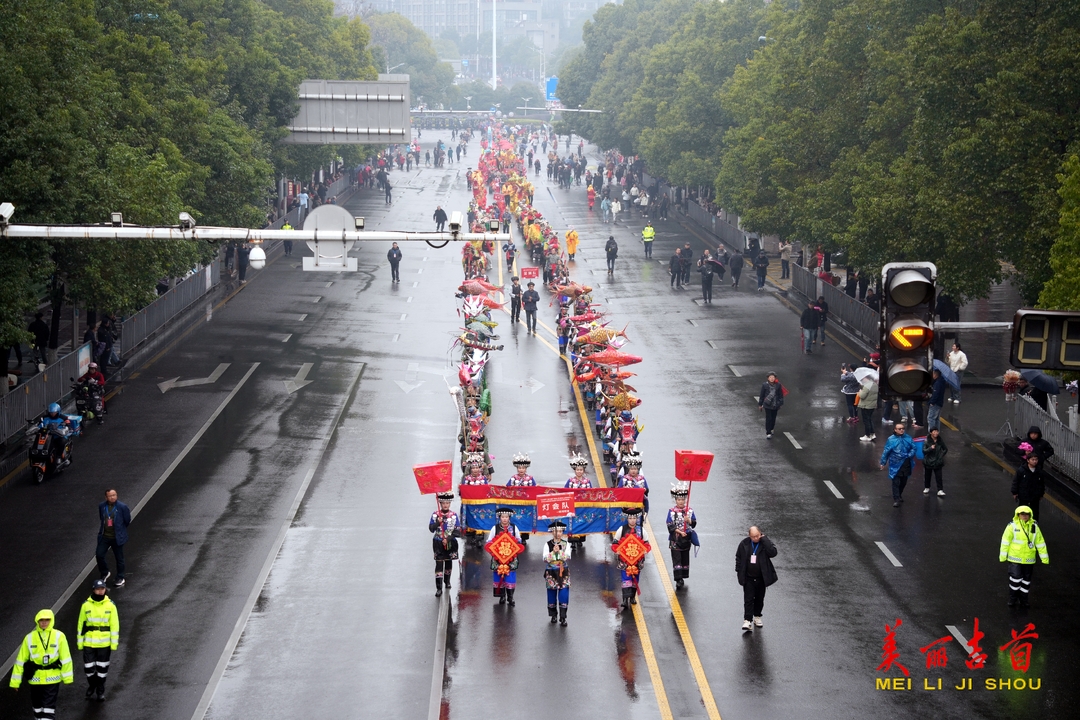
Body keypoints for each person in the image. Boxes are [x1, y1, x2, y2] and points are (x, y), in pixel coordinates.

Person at [9, 609, 74, 718]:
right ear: (37, 621)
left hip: (52, 678)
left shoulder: (59, 636)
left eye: (47, 620)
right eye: (41, 620)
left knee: (48, 710)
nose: (44, 622)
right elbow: (20, 661)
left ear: (51, 620)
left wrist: (67, 678)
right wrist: (15, 682)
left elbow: (66, 658)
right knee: (37, 709)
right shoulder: (29, 638)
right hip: (35, 679)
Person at [76, 579, 119, 700]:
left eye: (102, 589)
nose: (100, 591)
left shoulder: (110, 605)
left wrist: (113, 644)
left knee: (102, 670)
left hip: (104, 644)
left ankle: (100, 691)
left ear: (105, 589)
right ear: (93, 590)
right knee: (89, 669)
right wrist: (80, 643)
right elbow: (81, 625)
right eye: (98, 589)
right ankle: (92, 685)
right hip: (89, 642)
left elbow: (114, 625)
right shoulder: (85, 605)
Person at [999, 506, 1048, 608]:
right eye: (1022, 514)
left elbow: (1040, 542)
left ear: (1030, 515)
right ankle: (1012, 598)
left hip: (1029, 559)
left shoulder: (1034, 526)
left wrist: (1044, 558)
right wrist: (1003, 556)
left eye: (1027, 514)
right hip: (1015, 558)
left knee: (1026, 580)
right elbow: (1005, 542)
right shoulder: (1012, 526)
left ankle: (1023, 599)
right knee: (1015, 579)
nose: (1025, 516)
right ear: (1018, 515)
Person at [735, 526, 778, 631]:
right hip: (748, 577)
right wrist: (739, 571)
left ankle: (757, 616)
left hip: (761, 578)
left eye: (757, 536)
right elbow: (738, 557)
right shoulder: (744, 544)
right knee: (748, 599)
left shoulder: (765, 543)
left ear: (761, 534)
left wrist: (764, 539)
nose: (755, 538)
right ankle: (747, 620)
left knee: (759, 599)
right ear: (749, 536)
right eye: (753, 536)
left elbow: (773, 553)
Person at [611, 507, 650, 609]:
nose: (632, 520)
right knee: (626, 579)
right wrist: (617, 550)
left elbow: (646, 543)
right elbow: (615, 543)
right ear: (627, 518)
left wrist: (645, 550)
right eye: (630, 518)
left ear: (637, 518)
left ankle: (632, 597)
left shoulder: (641, 530)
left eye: (634, 518)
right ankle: (625, 599)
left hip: (637, 560)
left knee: (635, 579)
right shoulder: (621, 529)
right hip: (625, 560)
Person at [96, 489, 131, 587]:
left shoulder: (122, 507)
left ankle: (120, 576)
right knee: (99, 555)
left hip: (117, 537)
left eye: (114, 495)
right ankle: (105, 572)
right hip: (105, 536)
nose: (113, 497)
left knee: (119, 558)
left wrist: (120, 530)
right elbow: (102, 518)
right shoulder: (102, 506)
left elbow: (127, 520)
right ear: (106, 497)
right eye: (110, 496)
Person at [488, 508, 522, 606]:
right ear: (500, 518)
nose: (504, 519)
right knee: (499, 576)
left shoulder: (514, 528)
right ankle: (502, 596)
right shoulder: (495, 528)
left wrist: (515, 545)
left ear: (509, 518)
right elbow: (489, 541)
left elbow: (519, 540)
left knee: (510, 576)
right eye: (502, 517)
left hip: (511, 557)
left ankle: (510, 597)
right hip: (498, 557)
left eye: (506, 517)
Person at [666, 483, 697, 589]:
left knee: (684, 557)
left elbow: (694, 523)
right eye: (679, 500)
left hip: (686, 539)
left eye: (683, 499)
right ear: (675, 500)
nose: (681, 502)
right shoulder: (671, 512)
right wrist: (679, 532)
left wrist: (689, 520)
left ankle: (683, 575)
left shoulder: (690, 511)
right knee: (676, 558)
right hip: (676, 539)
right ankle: (678, 579)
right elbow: (669, 524)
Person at [429, 492, 461, 597]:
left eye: (447, 503)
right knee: (439, 564)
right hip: (438, 542)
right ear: (440, 503)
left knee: (448, 562)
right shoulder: (435, 514)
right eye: (443, 503)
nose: (445, 505)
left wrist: (448, 538)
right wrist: (438, 523)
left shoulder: (454, 515)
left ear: (450, 504)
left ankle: (447, 581)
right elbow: (431, 529)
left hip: (450, 542)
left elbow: (458, 531)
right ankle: (438, 588)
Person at [880, 423, 916, 507]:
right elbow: (886, 451)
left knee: (903, 481)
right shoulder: (891, 439)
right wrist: (883, 462)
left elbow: (913, 448)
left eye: (903, 428)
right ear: (895, 430)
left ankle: (899, 494)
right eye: (899, 429)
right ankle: (896, 498)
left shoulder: (908, 438)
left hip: (906, 463)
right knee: (896, 482)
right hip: (895, 464)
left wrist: (909, 455)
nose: (901, 430)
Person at [544, 520, 572, 625]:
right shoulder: (547, 545)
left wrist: (559, 552)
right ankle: (553, 615)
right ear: (552, 532)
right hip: (551, 572)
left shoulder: (566, 544)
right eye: (556, 531)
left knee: (564, 594)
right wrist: (553, 552)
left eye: (560, 531)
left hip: (563, 572)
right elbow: (545, 558)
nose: (558, 533)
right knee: (551, 594)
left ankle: (563, 617)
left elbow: (568, 557)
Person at [1012, 452, 1046, 521]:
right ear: (1028, 460)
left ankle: (1034, 526)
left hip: (1035, 496)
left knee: (1035, 512)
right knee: (1023, 511)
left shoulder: (1039, 471)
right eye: (1032, 459)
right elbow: (1016, 481)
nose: (1034, 461)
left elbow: (1042, 483)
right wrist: (1014, 492)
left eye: (1036, 460)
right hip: (1024, 495)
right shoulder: (1021, 470)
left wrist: (1041, 494)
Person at [758, 372, 784, 439]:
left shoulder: (778, 385)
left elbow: (780, 395)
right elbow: (762, 395)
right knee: (768, 418)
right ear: (768, 378)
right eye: (770, 377)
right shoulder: (764, 385)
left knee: (773, 418)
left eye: (773, 377)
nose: (772, 379)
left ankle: (772, 428)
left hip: (775, 405)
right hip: (767, 405)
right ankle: (768, 432)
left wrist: (780, 403)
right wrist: (760, 404)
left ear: (775, 378)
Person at [922, 427, 948, 496]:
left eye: (937, 431)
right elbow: (924, 451)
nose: (936, 433)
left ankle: (940, 489)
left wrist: (941, 456)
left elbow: (945, 449)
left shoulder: (940, 440)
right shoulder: (927, 441)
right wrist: (930, 448)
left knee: (939, 476)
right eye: (934, 431)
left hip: (938, 462)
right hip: (929, 461)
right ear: (931, 433)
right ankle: (927, 487)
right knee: (927, 475)